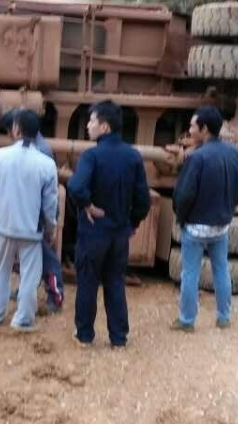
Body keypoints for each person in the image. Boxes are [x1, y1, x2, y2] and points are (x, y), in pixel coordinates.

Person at [67, 101, 151, 348]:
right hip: (119, 233)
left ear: (104, 126)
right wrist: (132, 222)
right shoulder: (133, 156)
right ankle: (118, 338)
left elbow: (75, 186)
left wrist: (87, 206)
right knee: (115, 282)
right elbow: (143, 199)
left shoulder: (91, 155)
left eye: (92, 121)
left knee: (88, 282)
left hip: (93, 232)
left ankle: (84, 336)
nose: (88, 126)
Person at [0, 110, 59, 332]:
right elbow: (50, 204)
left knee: (2, 270)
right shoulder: (46, 164)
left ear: (16, 129)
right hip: (31, 230)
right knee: (30, 276)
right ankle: (23, 319)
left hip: (3, 226)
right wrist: (50, 229)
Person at [171, 106, 238, 332]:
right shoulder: (235, 154)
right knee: (221, 270)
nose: (190, 129)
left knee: (190, 274)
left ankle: (186, 321)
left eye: (193, 125)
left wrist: (180, 218)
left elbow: (184, 195)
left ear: (204, 129)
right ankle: (224, 317)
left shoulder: (196, 158)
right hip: (221, 225)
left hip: (196, 227)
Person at [2, 109, 64, 312]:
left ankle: (55, 296)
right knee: (32, 257)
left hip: (38, 214)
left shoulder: (40, 151)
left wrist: (50, 224)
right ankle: (26, 291)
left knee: (46, 255)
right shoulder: (36, 146)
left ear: (17, 128)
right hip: (33, 211)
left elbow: (47, 193)